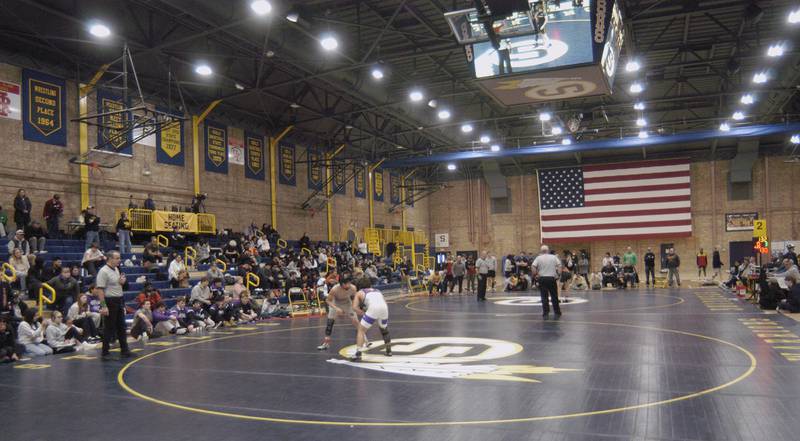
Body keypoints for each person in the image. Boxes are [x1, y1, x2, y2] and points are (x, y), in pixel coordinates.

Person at [96, 251, 131, 359]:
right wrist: (103, 305)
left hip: (119, 300)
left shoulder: (116, 269)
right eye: (117, 258)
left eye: (119, 258)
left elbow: (118, 285)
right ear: (109, 259)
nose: (119, 260)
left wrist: (122, 282)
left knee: (121, 327)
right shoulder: (103, 271)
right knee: (109, 328)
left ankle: (124, 350)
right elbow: (100, 290)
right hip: (110, 301)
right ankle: (105, 352)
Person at [348, 277, 391, 361]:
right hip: (384, 308)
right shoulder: (378, 291)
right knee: (384, 330)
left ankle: (358, 353)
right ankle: (389, 351)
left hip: (373, 309)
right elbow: (384, 302)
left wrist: (364, 313)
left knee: (361, 330)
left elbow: (354, 307)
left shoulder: (360, 292)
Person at [317, 274, 362, 350]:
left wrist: (356, 307)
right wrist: (336, 308)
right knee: (330, 322)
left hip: (347, 303)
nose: (349, 285)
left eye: (350, 283)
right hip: (336, 303)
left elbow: (355, 298)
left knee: (356, 321)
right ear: (342, 284)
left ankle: (365, 340)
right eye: (347, 283)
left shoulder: (353, 288)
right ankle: (326, 343)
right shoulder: (335, 289)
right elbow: (327, 300)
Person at [532, 245, 562, 318]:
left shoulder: (538, 258)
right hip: (551, 278)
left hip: (542, 279)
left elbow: (533, 266)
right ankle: (557, 312)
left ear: (541, 251)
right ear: (548, 250)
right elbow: (559, 265)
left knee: (544, 296)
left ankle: (545, 313)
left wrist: (535, 275)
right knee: (554, 296)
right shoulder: (553, 257)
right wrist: (558, 274)